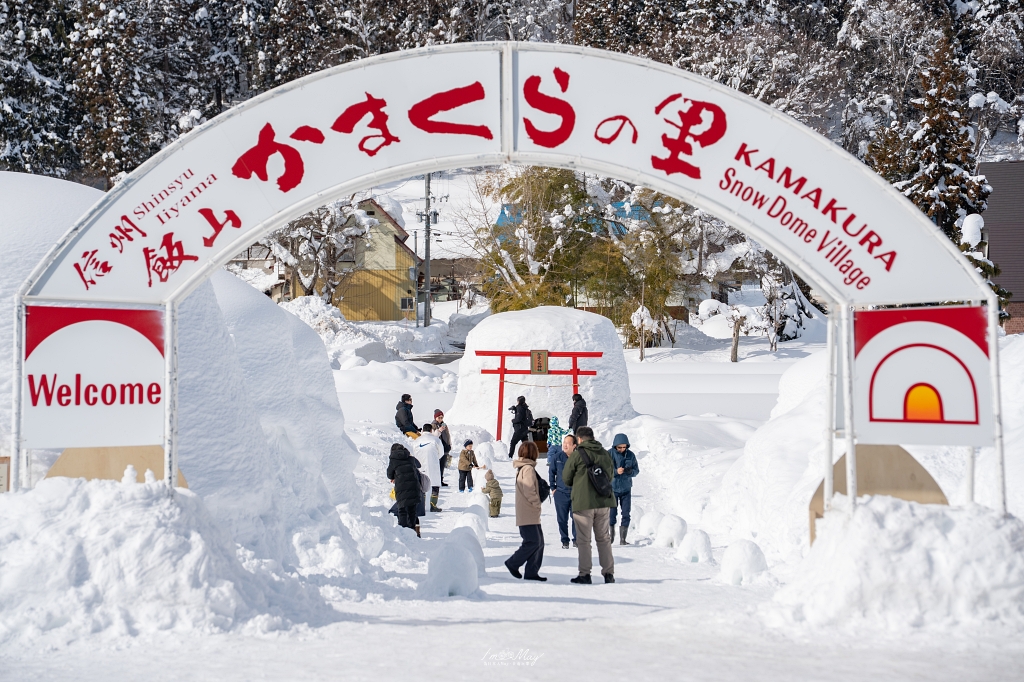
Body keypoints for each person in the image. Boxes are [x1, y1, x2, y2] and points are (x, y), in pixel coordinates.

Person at [562, 426, 615, 584]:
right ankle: (608, 574)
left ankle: (585, 574)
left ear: (578, 439)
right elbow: (610, 476)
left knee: (584, 541)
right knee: (604, 539)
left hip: (583, 503)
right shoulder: (604, 453)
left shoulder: (577, 455)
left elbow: (566, 478)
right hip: (604, 501)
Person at [505, 441, 546, 581]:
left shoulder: (523, 467)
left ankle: (531, 572)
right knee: (533, 541)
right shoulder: (527, 468)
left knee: (539, 542)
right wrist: (536, 503)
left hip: (528, 512)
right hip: (528, 511)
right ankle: (513, 563)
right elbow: (529, 488)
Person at [608, 433, 640, 546]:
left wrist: (629, 472)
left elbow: (636, 470)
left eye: (624, 447)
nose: (622, 449)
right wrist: (616, 472)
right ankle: (610, 538)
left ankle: (623, 539)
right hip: (612, 489)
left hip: (626, 489)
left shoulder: (631, 455)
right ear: (615, 446)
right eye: (619, 447)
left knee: (626, 513)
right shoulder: (609, 454)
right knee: (612, 514)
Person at [548, 433, 578, 549]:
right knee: (562, 519)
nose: (565, 445)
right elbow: (552, 473)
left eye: (568, 443)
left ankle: (576, 540)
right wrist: (553, 488)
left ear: (574, 445)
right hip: (560, 493)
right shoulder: (557, 457)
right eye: (564, 443)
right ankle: (565, 541)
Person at [386, 443, 423, 537]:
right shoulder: (409, 458)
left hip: (402, 487)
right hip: (414, 486)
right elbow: (419, 465)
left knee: (402, 510)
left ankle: (403, 533)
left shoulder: (393, 460)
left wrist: (395, 476)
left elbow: (389, 474)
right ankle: (412, 532)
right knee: (412, 510)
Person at [415, 423, 444, 512]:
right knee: (435, 485)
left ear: (423, 430)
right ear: (431, 430)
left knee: (422, 485)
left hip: (421, 465)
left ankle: (421, 506)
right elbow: (441, 453)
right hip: (433, 465)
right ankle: (433, 505)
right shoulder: (436, 440)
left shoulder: (417, 440)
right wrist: (434, 458)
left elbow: (414, 452)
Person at [431, 409, 452, 486]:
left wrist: (449, 444)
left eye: (441, 417)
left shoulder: (444, 425)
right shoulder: (433, 426)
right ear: (435, 418)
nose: (440, 419)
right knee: (437, 464)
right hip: (437, 448)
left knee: (442, 464)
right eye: (439, 417)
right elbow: (433, 437)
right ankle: (436, 480)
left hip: (445, 447)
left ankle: (440, 480)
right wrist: (439, 430)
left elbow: (447, 435)